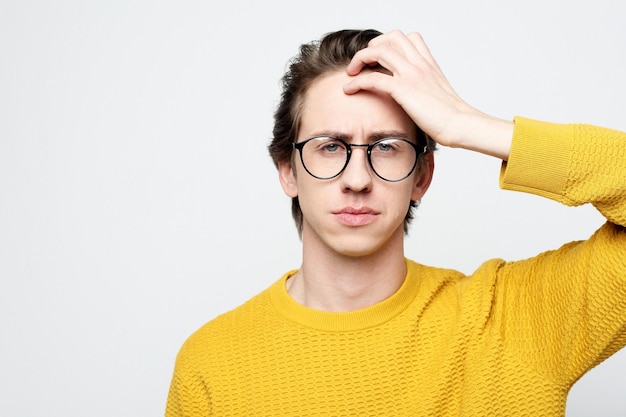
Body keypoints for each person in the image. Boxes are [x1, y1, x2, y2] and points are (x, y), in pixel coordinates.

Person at [165, 29, 626, 416]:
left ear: (422, 175)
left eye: (386, 147)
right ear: (288, 170)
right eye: (330, 146)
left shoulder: (512, 319)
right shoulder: (212, 363)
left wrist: (466, 124)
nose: (358, 179)